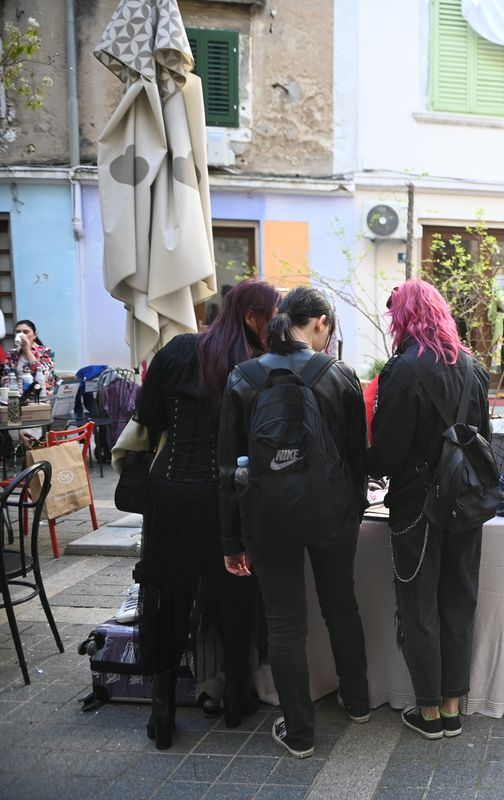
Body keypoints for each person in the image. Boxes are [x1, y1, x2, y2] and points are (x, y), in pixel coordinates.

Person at [218, 286, 370, 759]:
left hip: (267, 519)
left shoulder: (243, 378)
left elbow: (227, 468)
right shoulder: (339, 375)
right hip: (332, 515)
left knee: (285, 626)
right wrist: (354, 510)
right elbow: (357, 457)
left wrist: (231, 539)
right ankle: (358, 703)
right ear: (320, 322)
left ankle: (300, 733)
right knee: (341, 607)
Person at [133, 280, 278, 750]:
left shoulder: (177, 350)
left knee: (169, 593)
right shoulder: (257, 366)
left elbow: (147, 413)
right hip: (226, 495)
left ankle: (162, 710)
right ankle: (235, 696)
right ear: (253, 317)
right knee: (234, 591)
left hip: (172, 490)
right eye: (271, 315)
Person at [367, 279, 492, 739]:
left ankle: (429, 712)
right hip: (466, 501)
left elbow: (387, 453)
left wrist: (361, 462)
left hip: (416, 505)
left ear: (403, 318)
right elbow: (482, 439)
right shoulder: (474, 366)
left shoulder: (401, 369)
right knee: (459, 599)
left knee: (418, 604)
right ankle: (453, 708)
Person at [8, 319, 57, 394]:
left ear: (34, 335)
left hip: (40, 395)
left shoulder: (46, 352)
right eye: (18, 332)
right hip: (17, 395)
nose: (21, 335)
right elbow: (6, 379)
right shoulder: (12, 354)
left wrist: (27, 350)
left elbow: (44, 375)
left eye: (25, 332)